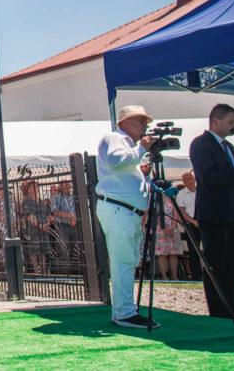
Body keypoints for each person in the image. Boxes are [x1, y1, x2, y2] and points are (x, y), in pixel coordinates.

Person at [94, 105, 158, 329]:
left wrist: (143, 173)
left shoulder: (129, 145)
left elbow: (124, 171)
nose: (144, 125)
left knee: (128, 261)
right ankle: (124, 313)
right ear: (126, 122)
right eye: (140, 121)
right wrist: (140, 149)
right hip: (118, 209)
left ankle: (127, 309)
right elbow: (115, 160)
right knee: (123, 261)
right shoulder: (114, 138)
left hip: (127, 211)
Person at [189, 103, 234, 318]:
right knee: (215, 263)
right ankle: (217, 310)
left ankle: (229, 307)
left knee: (231, 264)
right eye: (231, 122)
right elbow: (209, 177)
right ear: (216, 121)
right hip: (213, 216)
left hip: (232, 215)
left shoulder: (230, 147)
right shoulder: (201, 144)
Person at [19, 180, 52, 274]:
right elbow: (28, 216)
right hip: (32, 230)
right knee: (33, 252)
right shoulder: (26, 200)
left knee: (42, 252)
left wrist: (47, 222)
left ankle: (44, 272)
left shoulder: (41, 201)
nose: (34, 189)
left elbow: (47, 214)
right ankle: (36, 273)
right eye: (32, 187)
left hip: (43, 229)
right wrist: (40, 225)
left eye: (36, 187)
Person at [175, 172, 201, 280]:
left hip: (204, 222)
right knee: (193, 251)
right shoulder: (181, 194)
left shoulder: (201, 191)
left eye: (190, 178)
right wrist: (193, 221)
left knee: (210, 249)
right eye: (186, 179)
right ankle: (196, 276)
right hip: (191, 224)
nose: (189, 181)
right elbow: (181, 211)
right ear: (183, 182)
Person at [49, 181, 79, 274]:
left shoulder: (75, 197)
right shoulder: (56, 198)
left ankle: (77, 271)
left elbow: (80, 208)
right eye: (63, 186)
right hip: (62, 226)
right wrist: (70, 216)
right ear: (60, 188)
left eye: (67, 185)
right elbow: (55, 211)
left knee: (76, 248)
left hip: (75, 225)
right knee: (63, 249)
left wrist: (75, 218)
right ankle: (64, 273)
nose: (65, 187)